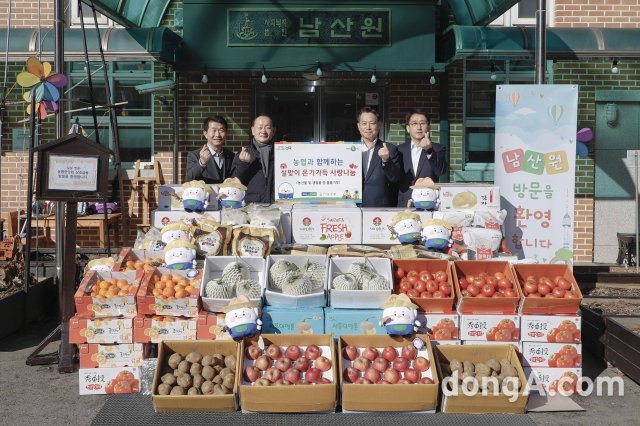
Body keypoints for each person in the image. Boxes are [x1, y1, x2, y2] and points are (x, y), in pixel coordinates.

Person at [396, 109, 447, 208]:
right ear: (408, 128)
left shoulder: (437, 148)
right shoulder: (399, 150)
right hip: (404, 203)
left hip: (429, 202)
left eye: (422, 123)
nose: (419, 127)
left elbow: (440, 171)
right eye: (414, 123)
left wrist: (429, 150)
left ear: (429, 127)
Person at [357, 107, 401, 207]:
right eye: (364, 123)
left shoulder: (390, 148)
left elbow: (394, 178)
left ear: (379, 125)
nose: (368, 127)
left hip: (378, 207)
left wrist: (386, 160)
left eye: (372, 123)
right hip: (352, 206)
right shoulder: (349, 149)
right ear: (358, 126)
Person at [232, 114, 276, 203]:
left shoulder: (280, 153)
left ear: (273, 131)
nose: (263, 131)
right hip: (252, 206)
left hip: (276, 205)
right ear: (252, 130)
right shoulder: (244, 154)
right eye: (260, 127)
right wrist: (243, 164)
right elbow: (233, 182)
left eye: (268, 127)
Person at [185, 115, 236, 184]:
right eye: (214, 130)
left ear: (226, 133)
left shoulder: (231, 156)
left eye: (221, 130)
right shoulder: (194, 155)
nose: (217, 135)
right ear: (205, 134)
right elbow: (188, 180)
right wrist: (202, 163)